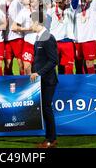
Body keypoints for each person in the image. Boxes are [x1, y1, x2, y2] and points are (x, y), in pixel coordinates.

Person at [31, 12, 59, 148]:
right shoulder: (39, 37)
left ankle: (51, 139)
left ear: (38, 23)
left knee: (47, 108)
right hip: (41, 80)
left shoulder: (48, 37)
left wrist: (38, 73)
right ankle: (49, 138)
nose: (30, 25)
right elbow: (37, 59)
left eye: (32, 22)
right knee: (44, 108)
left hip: (48, 81)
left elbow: (54, 60)